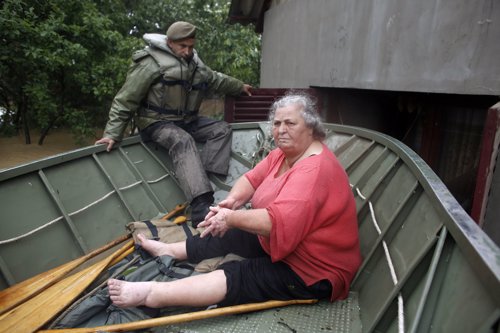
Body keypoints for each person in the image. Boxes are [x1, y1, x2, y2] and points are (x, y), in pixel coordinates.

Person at [107, 93, 361, 309]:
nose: (281, 130)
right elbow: (251, 179)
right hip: (285, 243)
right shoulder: (283, 154)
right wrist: (231, 203)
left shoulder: (313, 171)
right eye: (277, 123)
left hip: (313, 269)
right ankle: (169, 250)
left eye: (290, 123)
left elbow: (274, 222)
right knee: (230, 233)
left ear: (310, 127)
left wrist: (230, 218)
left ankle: (151, 294)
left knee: (240, 275)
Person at [95, 21, 252, 226]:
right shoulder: (150, 63)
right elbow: (126, 99)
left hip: (186, 120)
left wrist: (240, 87)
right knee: (182, 141)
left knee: (221, 129)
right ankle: (200, 206)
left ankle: (201, 176)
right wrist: (112, 133)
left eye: (191, 46)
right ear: (170, 42)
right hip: (156, 122)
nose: (187, 51)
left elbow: (217, 80)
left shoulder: (195, 64)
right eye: (182, 46)